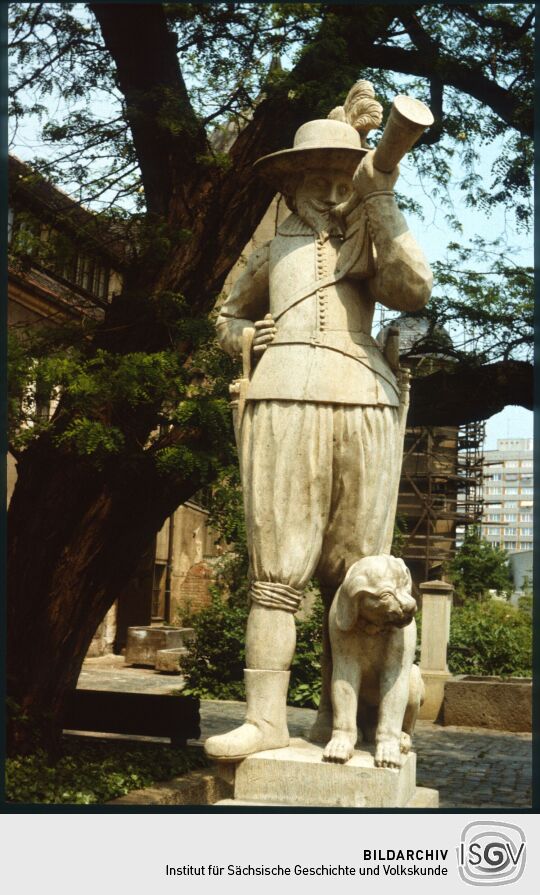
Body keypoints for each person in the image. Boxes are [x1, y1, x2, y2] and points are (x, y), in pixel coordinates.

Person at [205, 113, 432, 761]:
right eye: (320, 179)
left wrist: (379, 193)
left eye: (344, 178)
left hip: (365, 397)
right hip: (282, 391)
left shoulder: (370, 229)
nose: (334, 193)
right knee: (276, 570)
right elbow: (225, 314)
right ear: (295, 180)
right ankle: (265, 717)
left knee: (360, 571)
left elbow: (414, 289)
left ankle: (352, 722)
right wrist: (249, 336)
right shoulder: (272, 241)